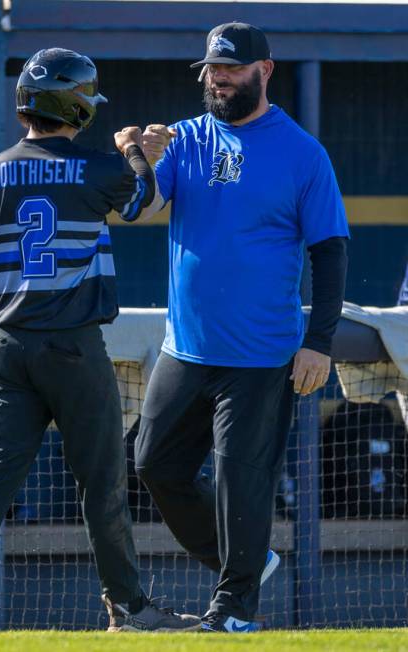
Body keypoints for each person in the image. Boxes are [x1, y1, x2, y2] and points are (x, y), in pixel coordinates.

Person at [0, 47, 199, 633]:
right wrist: (136, 153)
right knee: (102, 482)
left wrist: (9, 310)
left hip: (9, 341)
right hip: (73, 345)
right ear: (78, 106)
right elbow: (141, 202)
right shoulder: (98, 167)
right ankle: (128, 606)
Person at [133, 22, 349, 633]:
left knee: (240, 484)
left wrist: (319, 342)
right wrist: (141, 162)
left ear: (265, 70)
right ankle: (246, 562)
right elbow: (141, 208)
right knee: (153, 464)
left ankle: (234, 611)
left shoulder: (303, 152)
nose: (218, 78)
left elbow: (330, 252)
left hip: (262, 355)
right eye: (211, 69)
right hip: (187, 348)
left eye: (230, 68)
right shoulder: (185, 138)